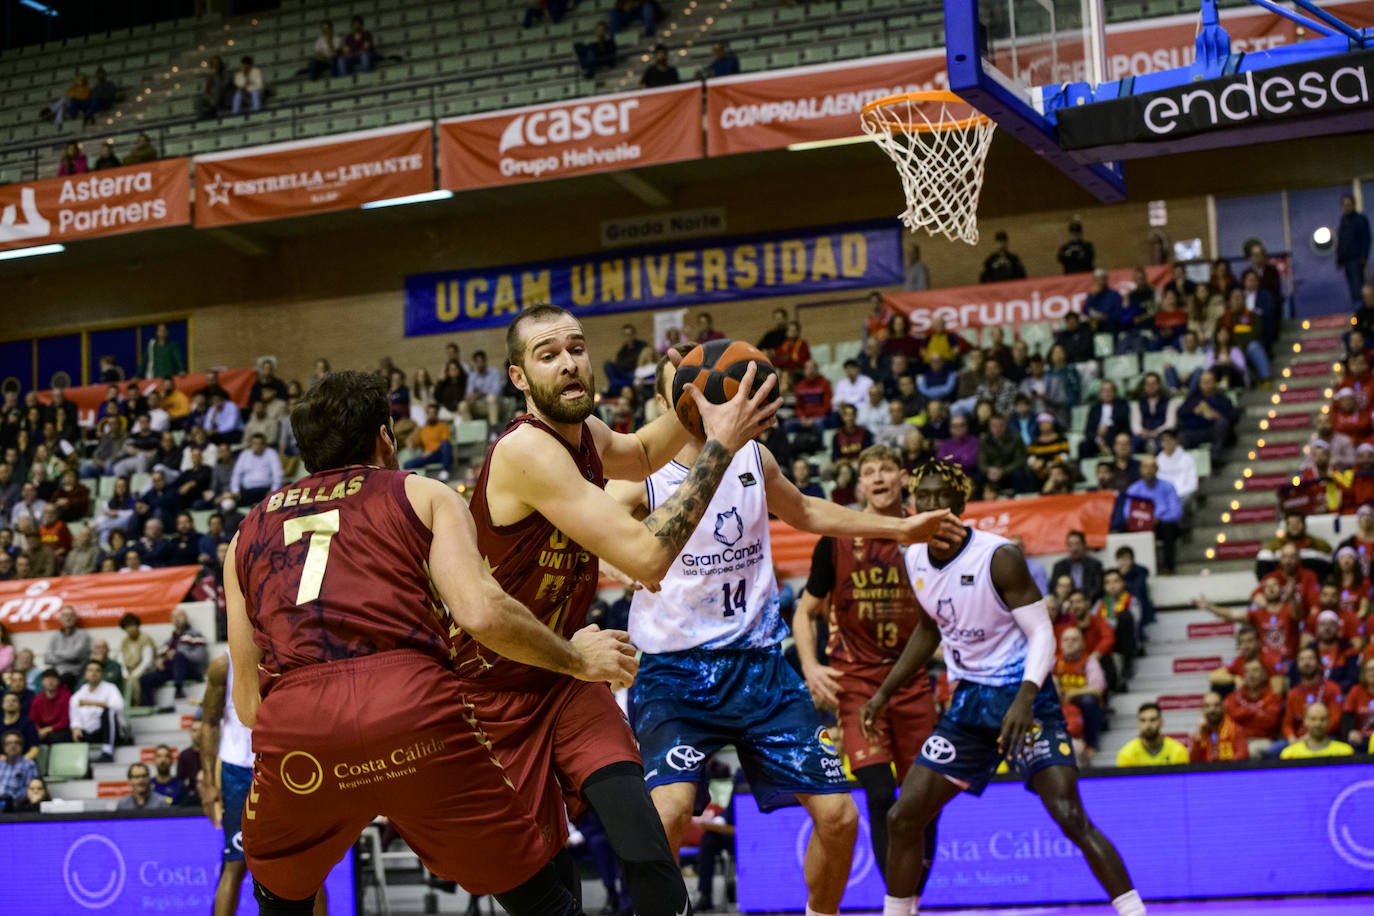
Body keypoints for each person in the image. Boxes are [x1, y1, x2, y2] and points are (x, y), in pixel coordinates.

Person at [226, 369, 637, 915]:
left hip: (299, 731)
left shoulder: (244, 534)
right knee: (540, 896)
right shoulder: (422, 493)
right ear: (383, 437)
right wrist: (574, 659)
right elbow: (480, 613)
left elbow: (249, 706)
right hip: (412, 710)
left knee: (279, 895)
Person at [460, 309, 781, 915]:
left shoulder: (584, 434)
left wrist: (699, 406)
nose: (569, 362)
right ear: (519, 378)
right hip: (495, 683)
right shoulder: (528, 449)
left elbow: (635, 453)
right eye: (548, 354)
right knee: (548, 879)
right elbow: (646, 556)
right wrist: (719, 442)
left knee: (641, 833)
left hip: (568, 670)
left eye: (576, 348)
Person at [613, 421, 959, 913]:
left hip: (761, 668)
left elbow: (806, 508)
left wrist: (901, 527)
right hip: (676, 671)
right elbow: (587, 526)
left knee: (841, 817)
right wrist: (617, 560)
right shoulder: (639, 471)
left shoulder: (755, 457)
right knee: (667, 817)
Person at [862, 460, 1146, 916]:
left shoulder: (999, 557)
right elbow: (928, 630)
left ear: (959, 507)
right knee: (902, 817)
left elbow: (1043, 633)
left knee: (1069, 815)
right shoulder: (912, 554)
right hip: (969, 706)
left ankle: (1134, 911)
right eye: (925, 498)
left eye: (942, 499)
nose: (932, 506)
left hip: (1025, 703)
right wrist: (883, 692)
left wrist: (1026, 698)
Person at [200, 652, 259, 916]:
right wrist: (210, 785)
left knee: (306, 865)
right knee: (235, 864)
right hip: (239, 769)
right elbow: (210, 723)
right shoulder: (223, 663)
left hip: (284, 763)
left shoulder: (287, 647)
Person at [139, 607, 208, 703]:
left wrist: (179, 654)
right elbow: (161, 654)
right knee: (145, 679)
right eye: (173, 617)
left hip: (190, 671)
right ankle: (147, 708)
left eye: (179, 616)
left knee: (179, 656)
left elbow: (200, 657)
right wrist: (159, 661)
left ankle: (179, 691)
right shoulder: (170, 639)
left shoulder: (195, 635)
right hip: (172, 671)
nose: (176, 619)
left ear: (186, 618)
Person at [1225, 658, 1284, 757]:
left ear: (1264, 675)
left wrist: (1242, 716)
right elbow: (1229, 721)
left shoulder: (1274, 697)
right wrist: (1256, 713)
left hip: (1264, 740)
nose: (1251, 675)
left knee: (1251, 751)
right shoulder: (1232, 697)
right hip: (1238, 740)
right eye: (1247, 671)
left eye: (1255, 670)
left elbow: (1271, 722)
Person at [69, 660, 124, 763]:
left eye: (97, 670)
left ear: (102, 674)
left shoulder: (110, 688)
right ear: (85, 674)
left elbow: (118, 706)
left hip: (109, 732)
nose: (94, 673)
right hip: (89, 732)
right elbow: (74, 714)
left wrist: (92, 703)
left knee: (108, 712)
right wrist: (75, 728)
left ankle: (107, 752)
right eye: (90, 670)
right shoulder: (80, 692)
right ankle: (77, 761)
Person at [1115, 703, 1189, 766]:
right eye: (1143, 720)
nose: (1148, 725)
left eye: (1152, 720)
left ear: (1161, 722)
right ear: (1138, 724)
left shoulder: (1178, 751)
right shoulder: (1126, 754)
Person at [1279, 702, 1355, 759]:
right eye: (1313, 719)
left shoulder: (1345, 752)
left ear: (1329, 721)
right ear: (1305, 721)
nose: (1318, 723)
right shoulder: (1289, 754)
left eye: (1322, 719)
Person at [1190, 691, 1248, 763]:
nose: (1212, 710)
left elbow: (1243, 754)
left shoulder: (1235, 729)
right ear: (1202, 709)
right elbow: (1193, 762)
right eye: (1207, 706)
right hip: (1207, 773)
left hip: (1229, 772)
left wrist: (1223, 768)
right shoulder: (1199, 734)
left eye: (1216, 705)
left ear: (1223, 707)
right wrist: (1198, 738)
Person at [44, 605, 90, 691]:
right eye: (65, 615)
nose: (68, 618)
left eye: (70, 615)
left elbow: (75, 655)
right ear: (60, 619)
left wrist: (56, 653)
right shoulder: (54, 636)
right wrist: (68, 656)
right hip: (57, 675)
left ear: (75, 618)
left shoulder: (83, 635)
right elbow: (47, 658)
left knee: (66, 678)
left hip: (76, 675)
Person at [1337, 194, 1371, 305]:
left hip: (1357, 259)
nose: (1346, 207)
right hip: (1347, 260)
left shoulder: (1360, 219)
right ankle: (1358, 311)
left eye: (1348, 204)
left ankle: (1363, 310)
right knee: (1352, 288)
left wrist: (1364, 256)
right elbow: (1341, 240)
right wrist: (1339, 258)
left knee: (1359, 288)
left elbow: (1366, 238)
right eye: (1344, 205)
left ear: (1353, 205)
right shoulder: (1343, 220)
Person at [0, 731, 38, 811]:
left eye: (16, 743)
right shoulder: (1, 764)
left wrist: (10, 799)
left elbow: (29, 789)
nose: (13, 746)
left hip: (14, 806)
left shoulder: (28, 764)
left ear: (21, 746)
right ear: (4, 747)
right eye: (9, 743)